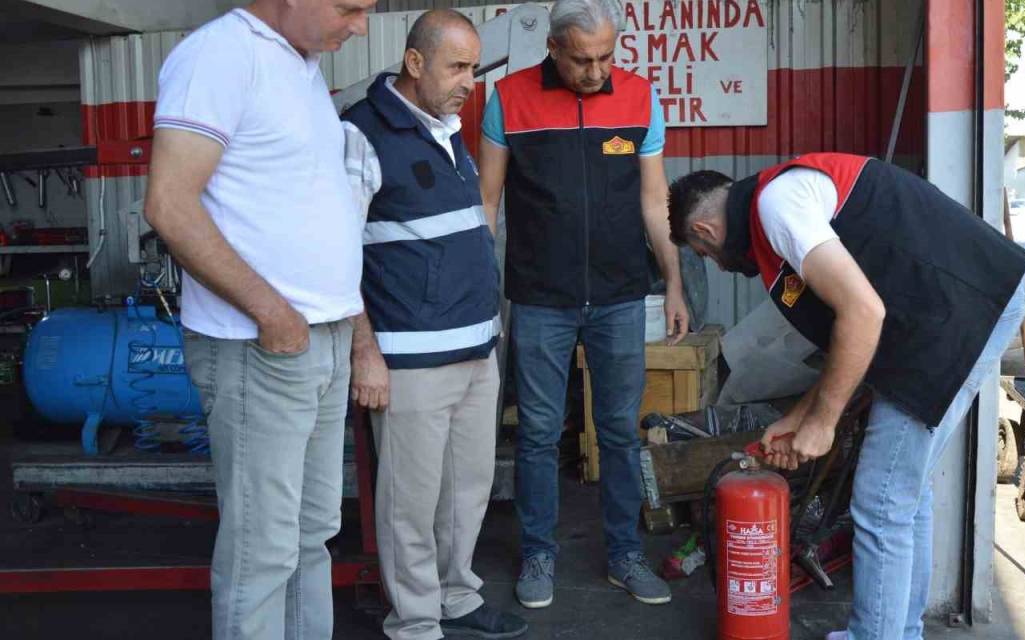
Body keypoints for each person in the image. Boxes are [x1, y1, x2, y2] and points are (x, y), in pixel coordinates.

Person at [666, 153, 1025, 640]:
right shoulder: (774, 210)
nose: (716, 264)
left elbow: (863, 312)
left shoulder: (776, 205)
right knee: (904, 495)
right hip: (950, 313)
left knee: (881, 503)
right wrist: (802, 415)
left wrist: (824, 422)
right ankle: (898, 632)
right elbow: (850, 337)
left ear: (705, 232)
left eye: (704, 254)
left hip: (954, 316)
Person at [143, 1, 375, 638]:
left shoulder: (299, 67)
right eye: (351, 8)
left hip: (318, 339)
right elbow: (168, 204)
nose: (359, 27)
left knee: (310, 535)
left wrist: (353, 337)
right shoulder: (221, 54)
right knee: (262, 548)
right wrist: (272, 313)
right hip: (262, 344)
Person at [476, 0, 689, 610]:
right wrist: (478, 291)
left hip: (622, 296)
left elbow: (655, 202)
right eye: (582, 60)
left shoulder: (639, 97)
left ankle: (625, 554)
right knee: (540, 432)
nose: (596, 71)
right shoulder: (509, 99)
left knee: (620, 431)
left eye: (605, 57)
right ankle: (539, 552)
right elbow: (487, 204)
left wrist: (671, 282)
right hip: (540, 297)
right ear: (553, 49)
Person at [341, 9, 527, 640]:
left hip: (475, 348)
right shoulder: (361, 134)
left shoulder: (446, 130)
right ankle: (415, 622)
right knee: (410, 505)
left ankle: (457, 595)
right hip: (409, 358)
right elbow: (336, 255)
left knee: (466, 491)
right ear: (415, 63)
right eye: (458, 66)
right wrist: (364, 353)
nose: (470, 81)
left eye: (474, 67)